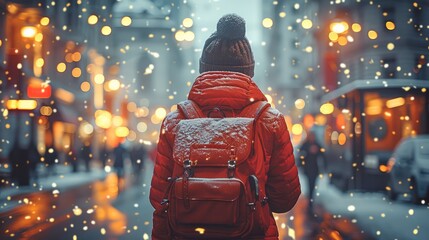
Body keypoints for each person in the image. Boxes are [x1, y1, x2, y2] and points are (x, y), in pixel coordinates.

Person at [149, 14, 301, 239]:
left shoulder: (175, 121)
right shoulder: (270, 121)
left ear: (204, 69)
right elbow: (284, 200)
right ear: (249, 71)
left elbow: (160, 198)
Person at [298, 130, 325, 212]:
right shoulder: (305, 145)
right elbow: (300, 156)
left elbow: (323, 155)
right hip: (308, 169)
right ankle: (310, 199)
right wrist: (308, 151)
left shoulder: (317, 145)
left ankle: (311, 197)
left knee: (313, 184)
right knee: (310, 183)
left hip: (315, 169)